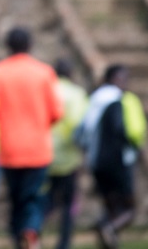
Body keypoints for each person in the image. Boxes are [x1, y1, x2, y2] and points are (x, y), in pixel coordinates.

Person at [0, 27, 62, 249]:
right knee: (33, 197)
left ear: (7, 46)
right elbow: (56, 112)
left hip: (9, 149)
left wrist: (0, 117)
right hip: (38, 149)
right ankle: (31, 232)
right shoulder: (44, 72)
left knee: (15, 199)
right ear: (30, 45)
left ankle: (18, 237)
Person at [76, 64, 147, 249]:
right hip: (117, 161)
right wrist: (133, 146)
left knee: (111, 206)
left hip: (96, 163)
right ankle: (108, 227)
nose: (125, 84)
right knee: (129, 208)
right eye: (123, 79)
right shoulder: (116, 100)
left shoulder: (93, 99)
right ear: (114, 79)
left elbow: (81, 132)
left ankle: (108, 235)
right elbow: (120, 129)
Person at [43, 58, 90, 249]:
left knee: (47, 200)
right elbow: (81, 126)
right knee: (69, 203)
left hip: (44, 155)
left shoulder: (46, 91)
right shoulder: (76, 94)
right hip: (69, 157)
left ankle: (32, 232)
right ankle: (64, 242)